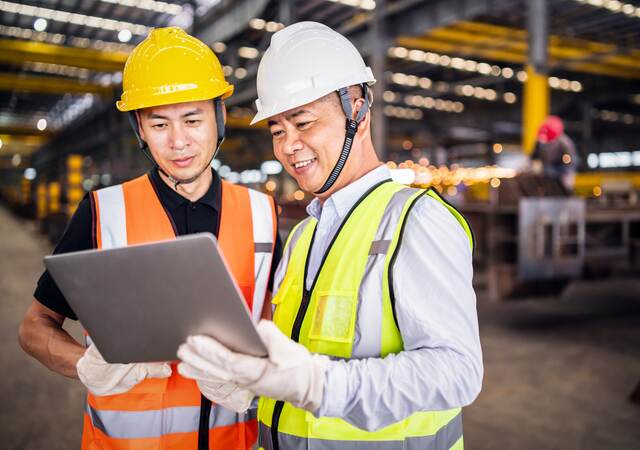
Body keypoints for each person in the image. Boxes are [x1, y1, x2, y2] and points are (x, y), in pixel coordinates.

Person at [177, 21, 483, 450]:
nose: (288, 147)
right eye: (278, 131)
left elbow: (457, 372)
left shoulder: (416, 221)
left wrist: (318, 384)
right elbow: (292, 363)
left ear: (357, 110)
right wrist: (248, 383)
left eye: (303, 123)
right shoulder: (303, 235)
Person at [18, 27, 281, 450]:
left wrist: (263, 375)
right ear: (140, 126)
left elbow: (284, 331)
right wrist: (83, 365)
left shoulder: (262, 215)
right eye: (160, 123)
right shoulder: (104, 213)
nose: (179, 142)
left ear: (220, 116)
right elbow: (34, 327)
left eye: (192, 120)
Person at [531, 115, 578, 192]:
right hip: (547, 169)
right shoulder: (541, 140)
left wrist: (565, 166)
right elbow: (534, 155)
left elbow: (570, 159)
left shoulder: (564, 142)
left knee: (565, 185)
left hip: (562, 169)